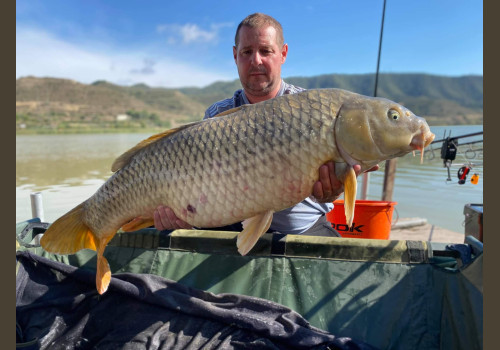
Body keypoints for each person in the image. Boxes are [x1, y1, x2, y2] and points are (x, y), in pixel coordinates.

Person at [153, 13, 378, 236]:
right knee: (165, 233)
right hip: (229, 226)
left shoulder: (313, 110)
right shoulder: (217, 115)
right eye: (247, 52)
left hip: (301, 230)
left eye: (265, 51)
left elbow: (331, 187)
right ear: (235, 56)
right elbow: (198, 189)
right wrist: (182, 215)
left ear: (283, 54)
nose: (256, 60)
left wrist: (330, 192)